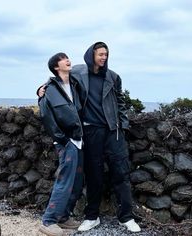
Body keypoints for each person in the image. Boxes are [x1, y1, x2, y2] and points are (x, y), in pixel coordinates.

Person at [38, 42, 141, 233]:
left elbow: (120, 102)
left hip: (113, 131)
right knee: (93, 175)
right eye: (100, 54)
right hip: (90, 132)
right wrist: (41, 89)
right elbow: (57, 82)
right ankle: (92, 216)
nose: (104, 57)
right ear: (91, 55)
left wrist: (123, 125)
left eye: (106, 54)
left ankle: (126, 217)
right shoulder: (78, 72)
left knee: (121, 173)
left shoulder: (113, 77)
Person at [38, 52, 83, 236]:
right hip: (66, 141)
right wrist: (62, 139)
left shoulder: (74, 83)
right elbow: (46, 117)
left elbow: (85, 68)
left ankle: (63, 216)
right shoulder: (49, 89)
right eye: (63, 59)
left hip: (79, 139)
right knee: (64, 180)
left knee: (78, 181)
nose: (68, 60)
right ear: (56, 66)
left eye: (68, 57)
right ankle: (48, 221)